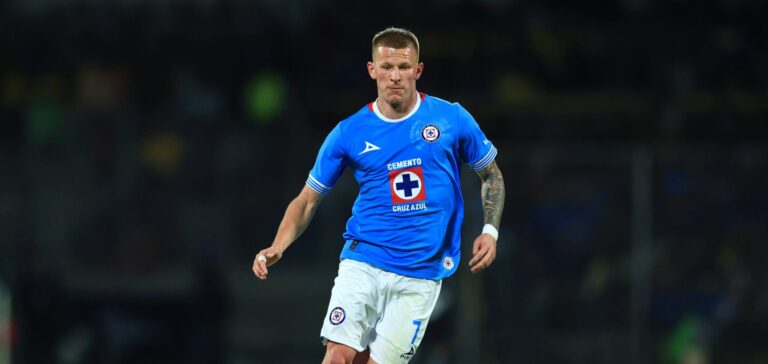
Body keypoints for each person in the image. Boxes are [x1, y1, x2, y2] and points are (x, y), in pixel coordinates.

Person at [252, 27, 505, 364]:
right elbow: (306, 200)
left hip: (422, 270)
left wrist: (490, 231)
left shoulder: (451, 118)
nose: (395, 76)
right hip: (364, 259)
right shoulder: (349, 132)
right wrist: (278, 244)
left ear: (418, 70)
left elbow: (491, 174)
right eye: (387, 68)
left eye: (403, 66)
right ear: (372, 70)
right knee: (338, 355)